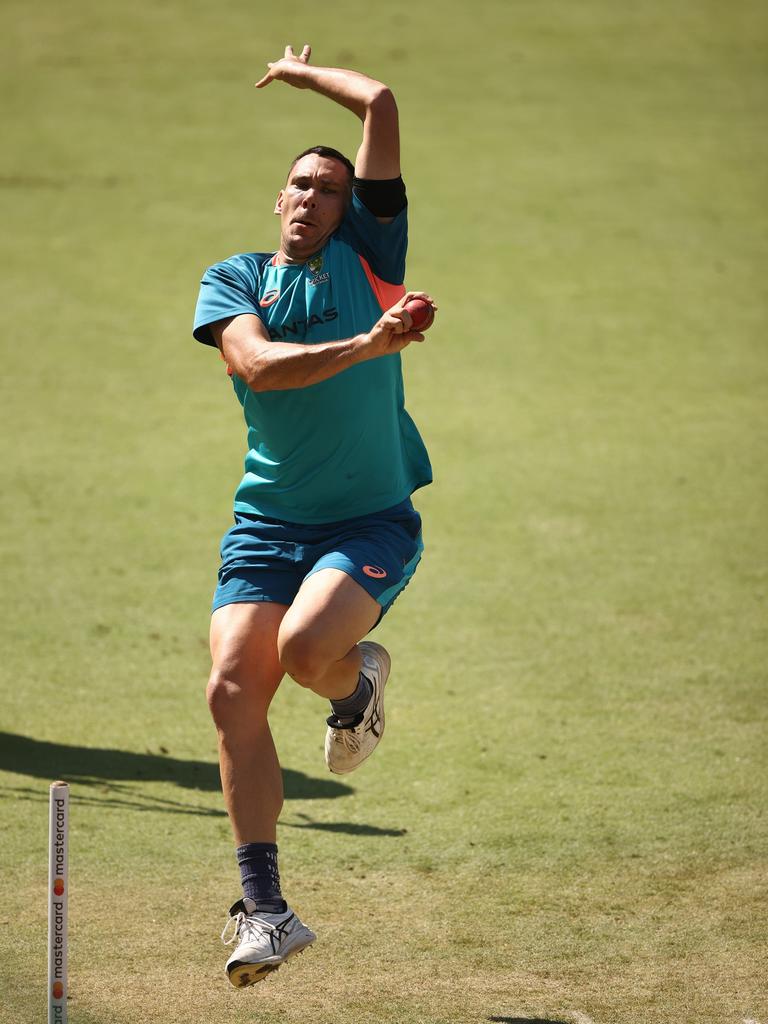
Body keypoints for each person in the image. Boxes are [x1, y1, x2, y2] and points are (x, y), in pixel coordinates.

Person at [193, 44, 434, 988]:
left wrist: (303, 77)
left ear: (350, 209)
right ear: (277, 199)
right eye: (298, 186)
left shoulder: (370, 258)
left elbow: (378, 99)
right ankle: (267, 910)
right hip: (267, 523)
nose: (309, 200)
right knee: (228, 691)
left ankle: (352, 686)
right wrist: (369, 345)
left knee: (301, 654)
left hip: (369, 518)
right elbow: (257, 366)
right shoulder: (234, 281)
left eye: (329, 190)